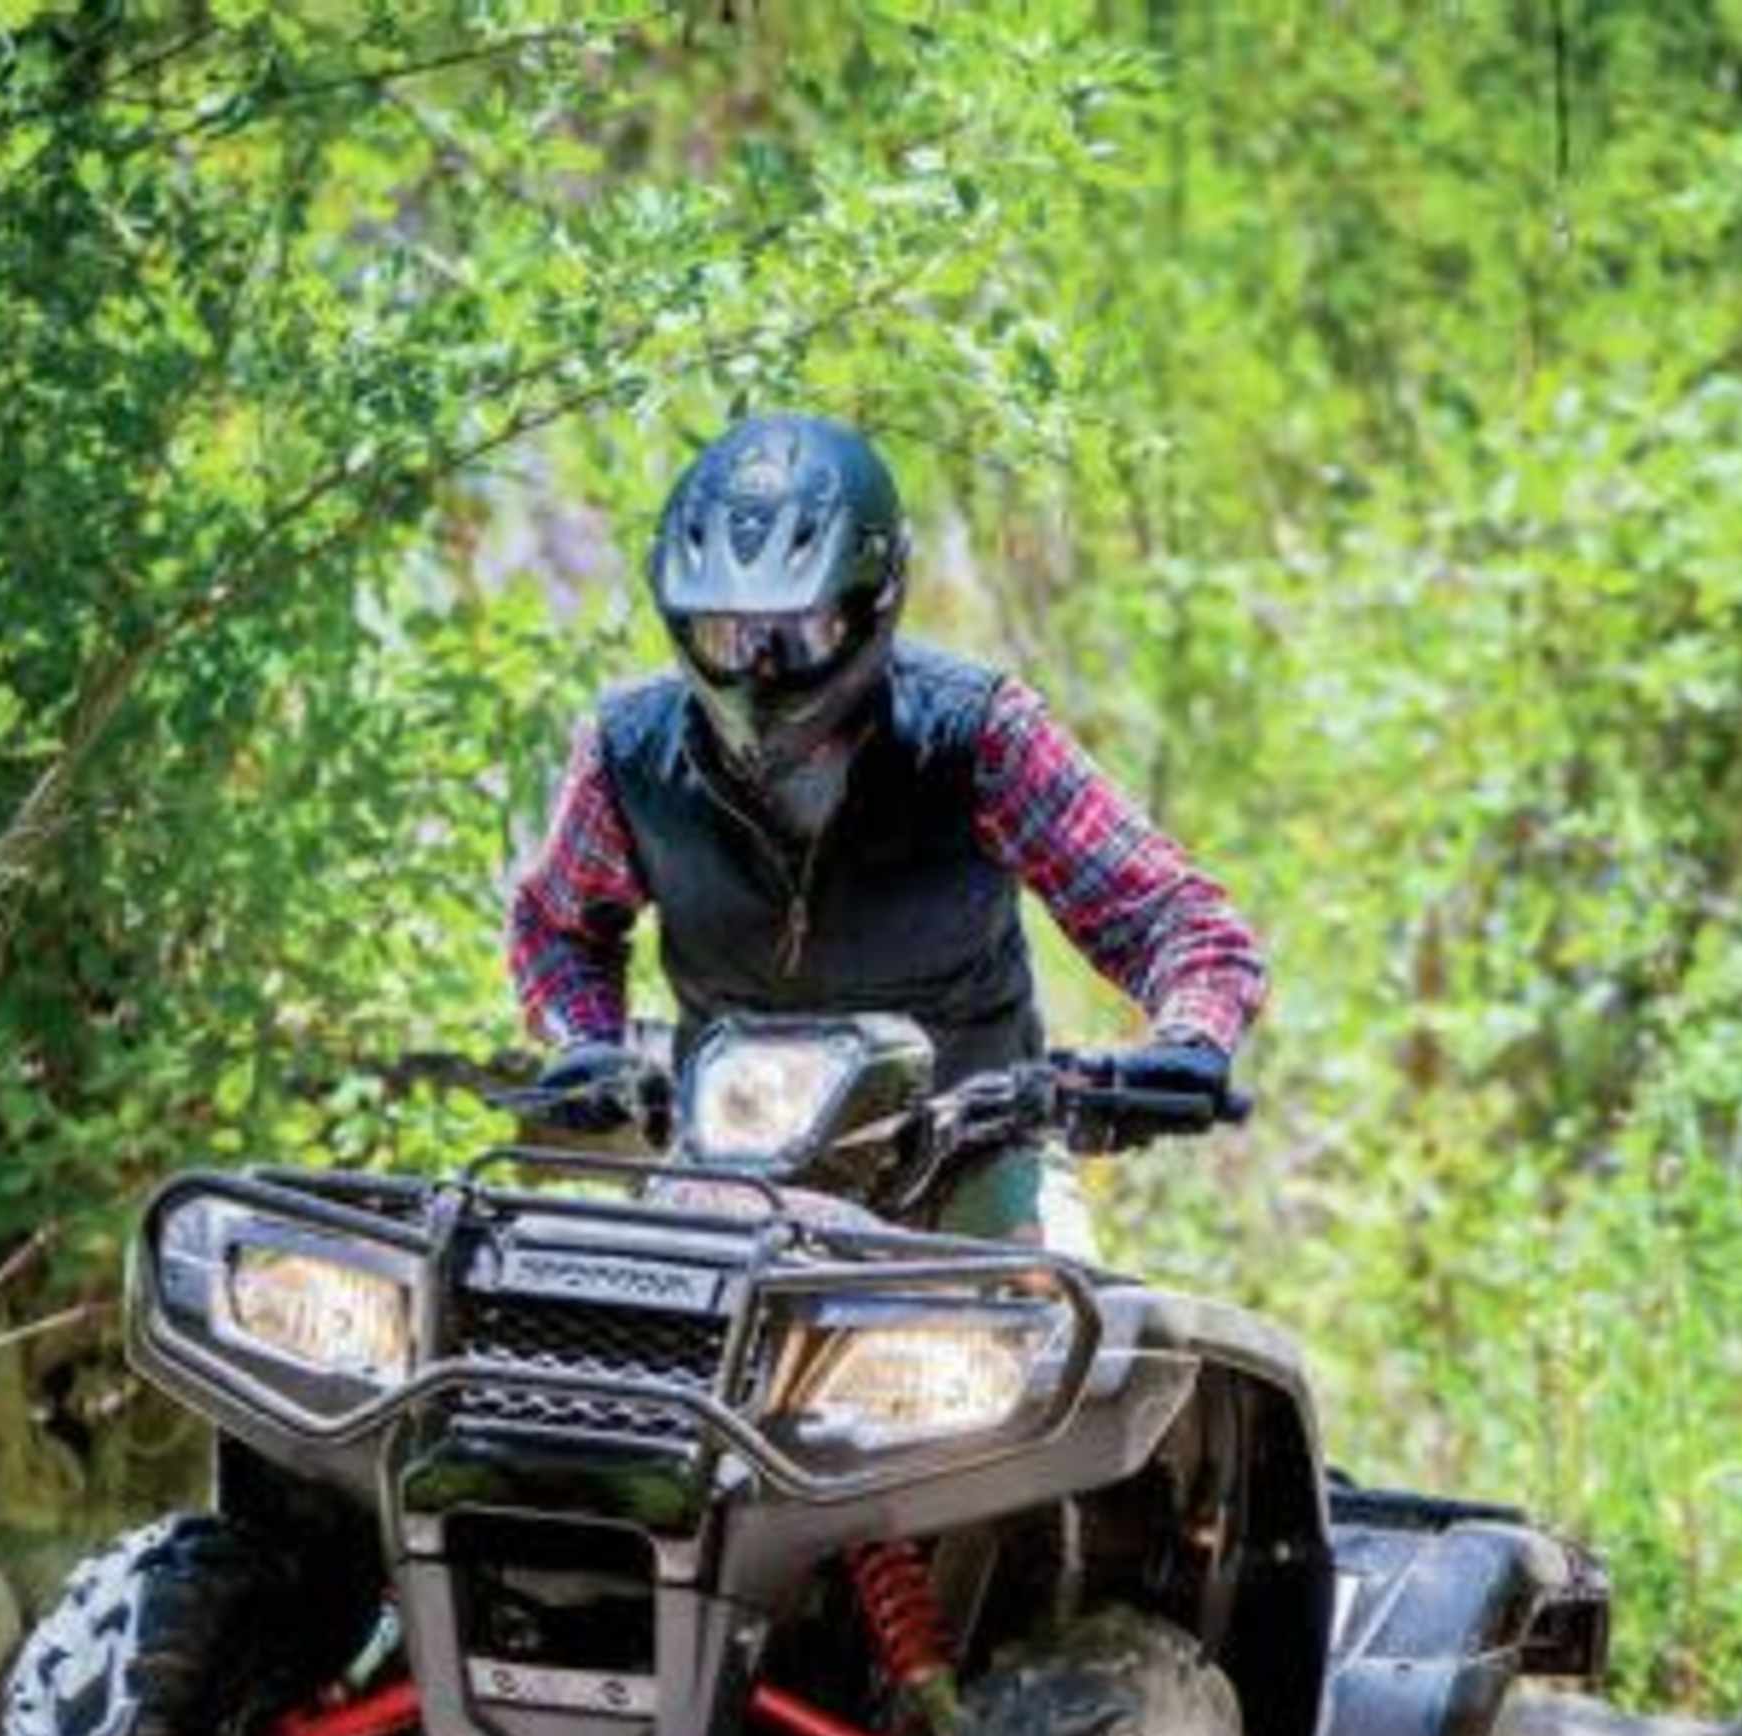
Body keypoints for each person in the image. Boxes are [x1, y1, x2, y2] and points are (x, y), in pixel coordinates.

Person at [505, 412, 1268, 1238]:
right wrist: (588, 1044)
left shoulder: (978, 734)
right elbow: (557, 925)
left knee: (1066, 1338)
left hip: (972, 1158)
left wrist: (1188, 1042)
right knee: (608, 1341)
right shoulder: (630, 752)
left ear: (874, 606)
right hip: (728, 1169)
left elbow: (1176, 919)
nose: (757, 669)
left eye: (794, 637)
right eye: (724, 636)